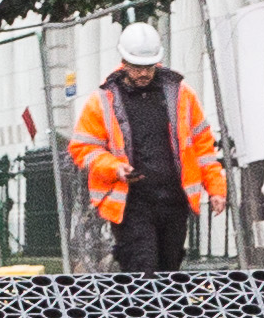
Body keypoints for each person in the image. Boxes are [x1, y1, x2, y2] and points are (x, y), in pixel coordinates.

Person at [67, 26, 225, 271]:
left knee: (168, 271)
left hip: (174, 201)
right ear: (123, 62)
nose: (143, 73)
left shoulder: (181, 94)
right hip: (132, 202)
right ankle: (141, 309)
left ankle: (157, 309)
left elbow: (203, 146)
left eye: (148, 67)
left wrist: (216, 188)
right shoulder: (102, 100)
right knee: (142, 270)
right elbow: (84, 149)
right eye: (136, 67)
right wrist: (114, 168)